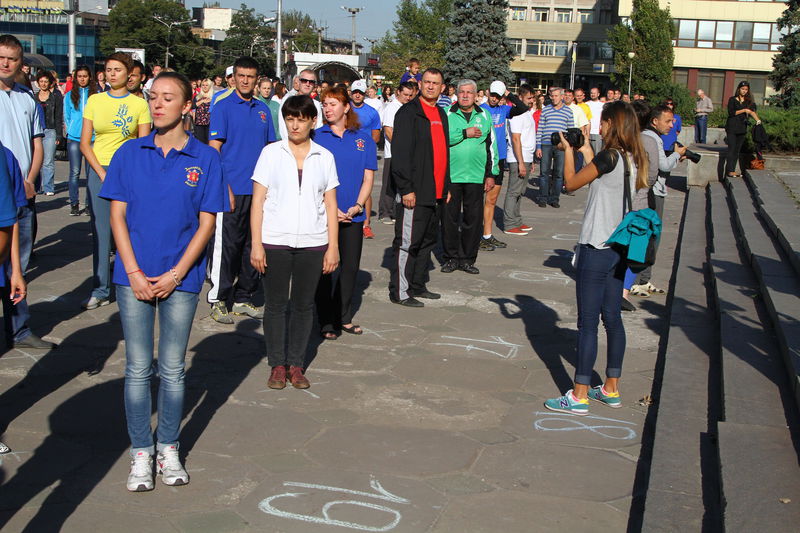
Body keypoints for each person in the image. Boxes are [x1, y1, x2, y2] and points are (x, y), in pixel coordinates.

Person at [101, 72, 228, 492]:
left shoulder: (205, 158)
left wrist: (176, 274)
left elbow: (207, 223)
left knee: (172, 370)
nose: (157, 104)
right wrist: (134, 272)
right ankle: (141, 451)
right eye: (153, 97)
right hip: (132, 276)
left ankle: (168, 447)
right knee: (138, 368)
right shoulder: (128, 153)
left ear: (187, 106)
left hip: (183, 278)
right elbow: (117, 216)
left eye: (167, 98)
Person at [544, 100, 649, 415]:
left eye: (603, 123)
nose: (599, 128)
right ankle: (611, 388)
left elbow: (572, 183)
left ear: (613, 125)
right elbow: (604, 177)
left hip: (596, 246)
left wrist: (566, 151)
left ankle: (579, 395)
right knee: (613, 319)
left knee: (587, 323)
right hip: (619, 248)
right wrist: (585, 151)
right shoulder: (633, 158)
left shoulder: (609, 156)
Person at [250, 95, 340, 390]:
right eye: (290, 119)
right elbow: (258, 202)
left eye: (302, 119)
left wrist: (333, 247)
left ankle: (296, 365)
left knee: (303, 306)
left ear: (313, 121)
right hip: (275, 239)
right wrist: (256, 244)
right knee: (275, 305)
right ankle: (277, 364)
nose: (295, 124)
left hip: (313, 241)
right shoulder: (271, 153)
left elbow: (329, 204)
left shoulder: (324, 157)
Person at [206, 56, 276, 324]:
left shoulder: (262, 110)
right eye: (241, 76)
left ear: (257, 79)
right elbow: (215, 151)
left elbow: (271, 150)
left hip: (258, 191)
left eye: (251, 76)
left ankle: (243, 297)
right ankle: (218, 298)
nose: (246, 81)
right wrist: (225, 187)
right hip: (232, 189)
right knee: (227, 247)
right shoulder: (223, 107)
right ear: (233, 78)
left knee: (253, 245)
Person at [80, 52, 152, 310]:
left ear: (129, 74)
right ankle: (100, 288)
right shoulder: (95, 101)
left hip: (128, 173)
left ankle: (129, 281)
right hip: (99, 171)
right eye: (109, 69)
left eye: (117, 70)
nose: (112, 74)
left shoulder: (139, 105)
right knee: (101, 231)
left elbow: (143, 145)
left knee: (129, 230)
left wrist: (131, 174)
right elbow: (85, 142)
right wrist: (100, 172)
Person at [0, 34, 55, 349]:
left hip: (22, 191)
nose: (6, 63)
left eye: (12, 58)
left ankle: (19, 330)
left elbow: (38, 144)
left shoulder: (27, 99)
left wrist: (31, 179)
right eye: (2, 57)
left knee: (18, 262)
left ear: (21, 63)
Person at [314, 86, 376, 339]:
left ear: (346, 107)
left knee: (349, 268)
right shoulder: (317, 137)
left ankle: (344, 316)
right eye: (325, 104)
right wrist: (331, 208)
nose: (327, 109)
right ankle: (326, 320)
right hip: (323, 214)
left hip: (354, 214)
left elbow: (368, 178)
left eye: (332, 104)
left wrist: (358, 206)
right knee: (325, 268)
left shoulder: (362, 139)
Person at [388, 68, 450, 307]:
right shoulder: (409, 113)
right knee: (407, 243)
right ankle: (400, 292)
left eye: (436, 83)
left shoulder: (441, 113)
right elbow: (401, 155)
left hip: (436, 192)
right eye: (427, 82)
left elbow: (444, 153)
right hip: (415, 191)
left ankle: (417, 285)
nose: (431, 86)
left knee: (426, 242)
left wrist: (447, 187)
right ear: (420, 85)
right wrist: (406, 189)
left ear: (442, 88)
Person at [441, 79, 499, 275]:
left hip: (476, 176)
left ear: (476, 96)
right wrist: (464, 133)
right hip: (451, 176)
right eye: (462, 92)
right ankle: (450, 257)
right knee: (449, 219)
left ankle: (467, 259)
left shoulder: (484, 115)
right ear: (457, 94)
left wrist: (491, 174)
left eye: (469, 92)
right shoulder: (447, 113)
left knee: (473, 220)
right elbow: (440, 139)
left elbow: (491, 147)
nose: (465, 95)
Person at [479, 80, 527, 249]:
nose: (494, 98)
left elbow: (522, 108)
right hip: (482, 158)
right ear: (487, 93)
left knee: (491, 200)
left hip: (498, 159)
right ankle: (476, 235)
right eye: (492, 95)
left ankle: (487, 234)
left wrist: (509, 94)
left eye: (497, 96)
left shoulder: (504, 109)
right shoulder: (481, 109)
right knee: (478, 199)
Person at [378, 81, 415, 225]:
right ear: (398, 92)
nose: (408, 97)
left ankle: (395, 211)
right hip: (392, 153)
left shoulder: (408, 108)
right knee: (389, 183)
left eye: (410, 95)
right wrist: (401, 147)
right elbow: (388, 130)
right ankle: (385, 212)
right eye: (405, 94)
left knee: (401, 183)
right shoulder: (392, 108)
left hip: (405, 153)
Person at [348, 79, 381, 240]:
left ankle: (366, 224)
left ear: (365, 93)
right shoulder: (344, 109)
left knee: (366, 189)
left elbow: (376, 135)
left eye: (360, 93)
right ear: (351, 92)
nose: (357, 95)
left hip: (364, 154)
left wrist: (365, 147)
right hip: (347, 154)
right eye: (355, 92)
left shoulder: (372, 112)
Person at [502, 84, 536, 236]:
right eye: (529, 98)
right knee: (513, 192)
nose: (532, 100)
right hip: (517, 158)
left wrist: (531, 160)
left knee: (520, 192)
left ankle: (517, 220)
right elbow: (516, 139)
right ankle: (509, 224)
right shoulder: (516, 114)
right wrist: (521, 162)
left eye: (533, 98)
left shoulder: (527, 113)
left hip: (527, 157)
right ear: (520, 97)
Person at [64, 65, 94, 215]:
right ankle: (74, 203)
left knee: (91, 173)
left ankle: (89, 204)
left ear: (90, 77)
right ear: (76, 78)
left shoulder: (96, 95)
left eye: (85, 76)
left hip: (92, 139)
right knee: (74, 172)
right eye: (80, 76)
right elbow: (67, 116)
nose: (82, 79)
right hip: (75, 138)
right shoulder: (69, 95)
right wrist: (71, 130)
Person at [535, 86, 573, 208]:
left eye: (556, 96)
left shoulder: (568, 111)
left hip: (560, 146)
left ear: (562, 96)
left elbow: (570, 131)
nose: (554, 98)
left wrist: (568, 147)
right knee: (544, 172)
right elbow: (540, 128)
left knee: (558, 173)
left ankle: (554, 198)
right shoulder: (546, 110)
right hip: (546, 144)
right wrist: (538, 146)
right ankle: (543, 197)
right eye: (552, 96)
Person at [34, 70, 64, 196]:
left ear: (50, 82)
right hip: (36, 131)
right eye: (41, 81)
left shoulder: (55, 97)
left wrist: (59, 134)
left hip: (50, 131)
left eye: (46, 81)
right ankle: (36, 186)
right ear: (38, 83)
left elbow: (58, 117)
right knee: (36, 160)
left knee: (48, 160)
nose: (44, 84)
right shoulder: (33, 97)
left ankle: (48, 187)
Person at [725, 81, 760, 179]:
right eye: (742, 89)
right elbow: (731, 112)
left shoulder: (749, 102)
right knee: (731, 149)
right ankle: (730, 170)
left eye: (746, 90)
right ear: (739, 89)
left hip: (742, 129)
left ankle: (732, 170)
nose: (744, 91)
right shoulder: (732, 99)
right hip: (731, 128)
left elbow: (752, 112)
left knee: (737, 150)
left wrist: (758, 121)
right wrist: (744, 110)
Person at [278, 69, 322, 141]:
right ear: (299, 82)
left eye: (311, 82)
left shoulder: (316, 104)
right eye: (304, 80)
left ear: (314, 85)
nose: (307, 84)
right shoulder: (287, 101)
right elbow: (283, 126)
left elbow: (317, 128)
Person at [191, 78, 213, 144]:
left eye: (206, 85)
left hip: (210, 123)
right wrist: (201, 101)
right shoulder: (197, 97)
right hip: (199, 123)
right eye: (203, 85)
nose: (204, 87)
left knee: (209, 143)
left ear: (209, 86)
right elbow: (192, 106)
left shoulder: (214, 97)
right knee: (200, 142)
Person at [586, 86, 605, 155]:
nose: (593, 94)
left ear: (598, 94)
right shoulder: (586, 104)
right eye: (591, 93)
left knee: (597, 154)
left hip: (597, 133)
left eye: (594, 93)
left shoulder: (603, 105)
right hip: (587, 133)